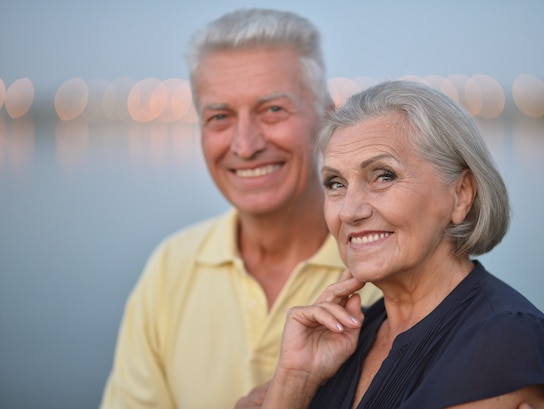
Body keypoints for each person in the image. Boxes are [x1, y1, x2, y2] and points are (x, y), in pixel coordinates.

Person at [99, 8, 380, 409]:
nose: (245, 145)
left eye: (273, 110)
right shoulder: (171, 269)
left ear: (327, 117)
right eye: (220, 117)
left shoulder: (386, 265)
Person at [260, 80, 544, 409]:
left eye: (383, 175)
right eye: (335, 183)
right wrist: (295, 379)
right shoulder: (355, 334)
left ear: (461, 194)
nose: (349, 211)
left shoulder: (504, 341)